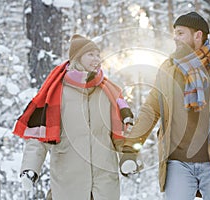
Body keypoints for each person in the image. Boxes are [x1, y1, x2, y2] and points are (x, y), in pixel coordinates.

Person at [119, 12, 210, 200]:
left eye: (180, 33)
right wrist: (130, 148)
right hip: (177, 163)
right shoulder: (169, 68)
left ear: (198, 35)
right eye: (175, 33)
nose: (175, 38)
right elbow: (151, 109)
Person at [12, 34, 134, 200]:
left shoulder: (107, 92)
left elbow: (120, 134)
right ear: (77, 57)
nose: (96, 59)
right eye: (90, 54)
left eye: (98, 55)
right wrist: (30, 169)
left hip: (104, 183)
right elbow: (40, 137)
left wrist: (128, 158)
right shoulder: (56, 93)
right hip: (68, 182)